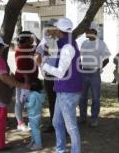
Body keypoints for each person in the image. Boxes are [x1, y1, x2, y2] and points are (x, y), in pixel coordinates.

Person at [35, 17, 82, 153]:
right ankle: (60, 149)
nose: (50, 31)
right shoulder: (64, 44)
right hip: (63, 89)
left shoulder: (67, 47)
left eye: (53, 29)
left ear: (59, 31)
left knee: (71, 126)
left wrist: (41, 64)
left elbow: (60, 72)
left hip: (68, 90)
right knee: (57, 122)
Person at [79, 22, 111, 127]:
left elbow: (107, 59)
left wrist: (99, 67)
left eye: (88, 30)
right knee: (82, 97)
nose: (86, 32)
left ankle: (94, 118)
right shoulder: (84, 43)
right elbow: (80, 57)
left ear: (94, 31)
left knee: (96, 97)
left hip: (94, 73)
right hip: (84, 73)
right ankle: (83, 117)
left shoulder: (101, 44)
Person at [35, 19, 58, 132]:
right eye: (48, 27)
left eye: (51, 27)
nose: (49, 29)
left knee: (61, 100)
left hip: (59, 75)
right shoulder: (44, 41)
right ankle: (53, 124)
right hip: (49, 76)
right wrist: (41, 66)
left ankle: (61, 125)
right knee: (52, 100)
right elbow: (37, 55)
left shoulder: (60, 40)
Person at [14, 31, 39, 131]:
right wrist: (27, 82)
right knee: (22, 102)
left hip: (25, 80)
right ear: (28, 39)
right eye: (31, 38)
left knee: (20, 102)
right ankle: (21, 123)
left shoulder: (23, 49)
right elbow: (22, 68)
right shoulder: (26, 49)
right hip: (24, 81)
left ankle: (23, 122)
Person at [24, 79, 46, 150]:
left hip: (33, 115)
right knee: (34, 129)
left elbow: (30, 104)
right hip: (38, 114)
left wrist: (25, 104)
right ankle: (33, 141)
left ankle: (38, 144)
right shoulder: (40, 94)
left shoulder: (32, 95)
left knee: (35, 130)